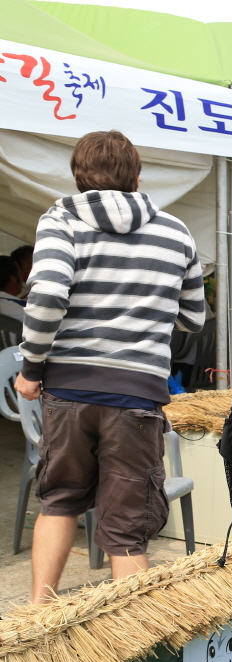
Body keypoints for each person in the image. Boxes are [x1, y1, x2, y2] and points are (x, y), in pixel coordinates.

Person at [16, 130, 206, 604]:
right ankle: (132, 646)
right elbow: (193, 317)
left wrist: (32, 370)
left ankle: (40, 616)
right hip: (137, 396)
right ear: (138, 177)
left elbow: (46, 298)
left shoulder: (61, 220)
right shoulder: (174, 231)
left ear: (78, 177)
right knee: (126, 528)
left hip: (70, 391)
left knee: (59, 500)